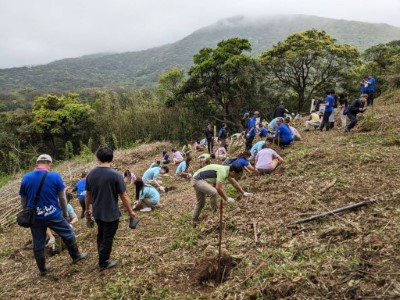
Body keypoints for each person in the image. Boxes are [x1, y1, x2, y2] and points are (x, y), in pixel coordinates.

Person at [19, 154, 87, 276]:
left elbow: (23, 199)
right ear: (49, 163)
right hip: (53, 214)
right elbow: (62, 198)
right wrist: (65, 214)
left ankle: (42, 269)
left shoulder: (26, 178)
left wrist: (28, 213)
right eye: (50, 164)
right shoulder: (55, 176)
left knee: (38, 242)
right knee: (68, 233)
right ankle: (76, 256)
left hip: (35, 217)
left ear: (37, 163)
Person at [85, 147, 136, 271]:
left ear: (98, 158)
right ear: (112, 158)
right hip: (111, 213)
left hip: (97, 211)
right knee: (108, 237)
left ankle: (102, 255)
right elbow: (123, 195)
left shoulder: (91, 174)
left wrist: (87, 209)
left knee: (101, 235)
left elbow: (88, 194)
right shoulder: (115, 175)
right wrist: (131, 212)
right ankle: (103, 262)